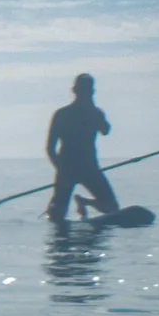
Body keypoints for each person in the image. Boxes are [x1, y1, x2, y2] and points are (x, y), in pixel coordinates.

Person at [45, 75, 117, 222]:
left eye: (88, 91)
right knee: (57, 215)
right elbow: (50, 147)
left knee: (111, 208)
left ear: (92, 92)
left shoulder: (95, 113)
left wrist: (93, 110)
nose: (85, 94)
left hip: (89, 167)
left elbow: (105, 130)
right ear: (75, 91)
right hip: (67, 167)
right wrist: (61, 170)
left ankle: (85, 202)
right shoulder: (62, 114)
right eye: (83, 91)